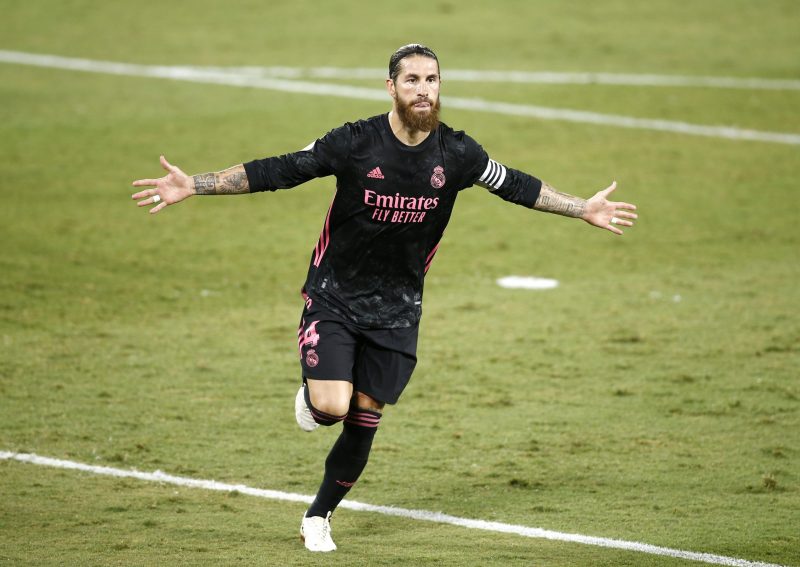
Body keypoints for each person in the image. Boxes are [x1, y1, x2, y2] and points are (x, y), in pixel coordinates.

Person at [132, 43, 637, 552]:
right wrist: (195, 184)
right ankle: (312, 398)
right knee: (331, 407)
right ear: (391, 87)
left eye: (431, 79)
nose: (423, 90)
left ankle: (318, 515)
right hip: (335, 296)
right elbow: (280, 170)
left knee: (364, 418)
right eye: (412, 80)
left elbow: (516, 185)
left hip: (398, 309)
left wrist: (582, 208)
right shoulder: (354, 142)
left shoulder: (459, 153)